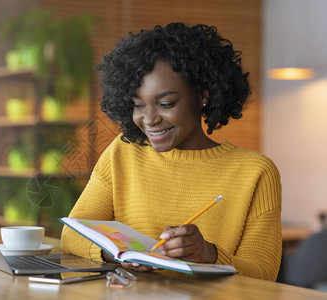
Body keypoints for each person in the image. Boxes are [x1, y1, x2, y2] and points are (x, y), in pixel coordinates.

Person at [61, 23, 282, 281]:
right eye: (138, 105)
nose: (149, 119)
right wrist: (117, 254)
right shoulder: (123, 152)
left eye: (165, 104)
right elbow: (72, 235)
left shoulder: (255, 172)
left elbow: (263, 274)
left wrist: (208, 255)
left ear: (203, 96)